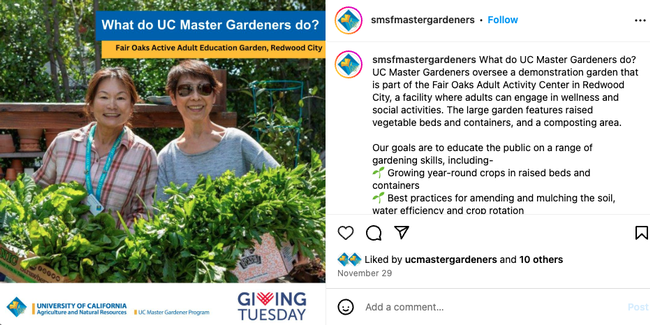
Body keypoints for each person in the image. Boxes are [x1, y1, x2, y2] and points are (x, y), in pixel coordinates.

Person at [32, 67, 158, 230]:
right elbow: (38, 190)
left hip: (112, 251)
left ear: (131, 106)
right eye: (104, 97)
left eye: (120, 98)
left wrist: (113, 245)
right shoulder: (63, 143)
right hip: (58, 250)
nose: (112, 105)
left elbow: (143, 213)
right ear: (90, 104)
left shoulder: (144, 154)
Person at [156, 60, 279, 201]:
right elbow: (162, 214)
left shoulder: (237, 141)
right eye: (185, 90)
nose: (196, 97)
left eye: (204, 89)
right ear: (173, 98)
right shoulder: (167, 158)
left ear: (214, 96)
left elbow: (280, 178)